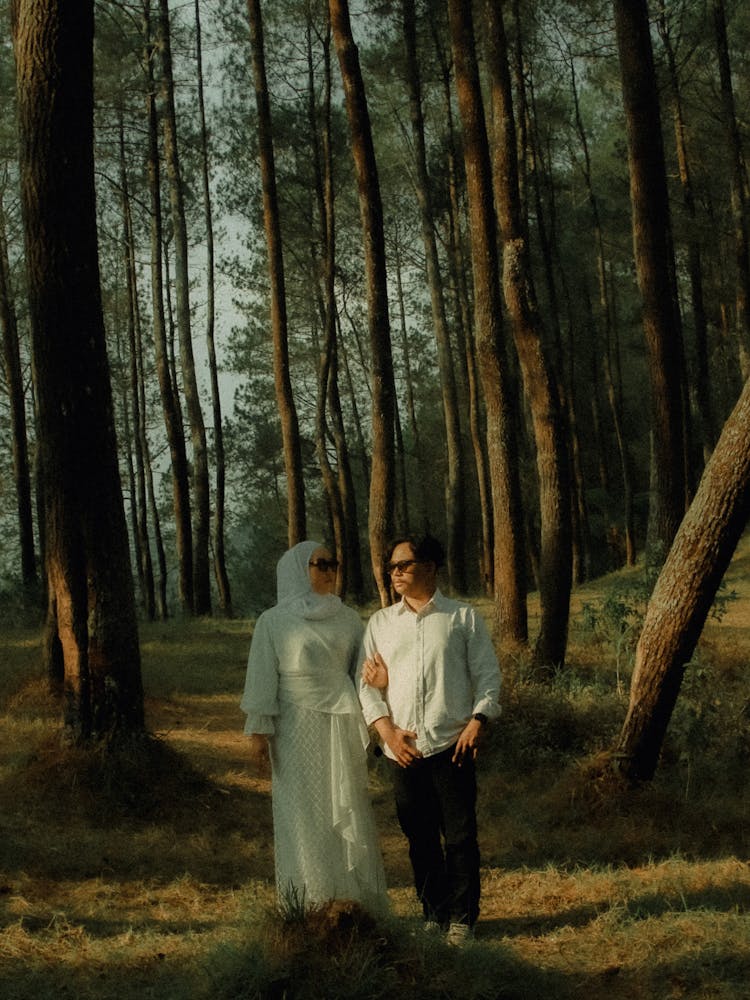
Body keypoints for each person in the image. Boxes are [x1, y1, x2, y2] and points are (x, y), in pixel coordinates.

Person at [358, 534, 500, 944]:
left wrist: (478, 720)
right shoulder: (381, 623)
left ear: (431, 567)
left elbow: (487, 675)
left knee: (459, 836)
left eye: (404, 564)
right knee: (419, 839)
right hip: (401, 751)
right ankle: (433, 915)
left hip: (451, 743)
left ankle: (461, 920)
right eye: (392, 567)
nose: (395, 572)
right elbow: (366, 686)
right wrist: (386, 730)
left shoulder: (463, 618)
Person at [241, 540, 387, 913]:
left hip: (340, 723)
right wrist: (260, 732)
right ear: (296, 570)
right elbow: (262, 678)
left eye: (333, 563)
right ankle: (308, 901)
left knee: (345, 804)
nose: (329, 570)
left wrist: (378, 689)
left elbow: (360, 673)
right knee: (302, 811)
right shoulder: (272, 621)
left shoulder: (350, 618)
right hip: (294, 726)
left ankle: (351, 900)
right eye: (319, 564)